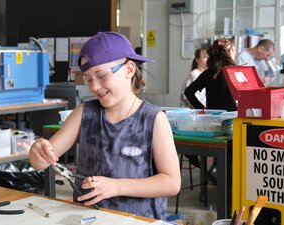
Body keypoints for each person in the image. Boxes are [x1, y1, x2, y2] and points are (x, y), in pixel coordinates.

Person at [29, 31, 181, 220]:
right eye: (88, 79)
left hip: (139, 220)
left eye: (101, 75)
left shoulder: (153, 119)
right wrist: (37, 152)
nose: (94, 86)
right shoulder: (84, 114)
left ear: (129, 69)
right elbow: (42, 160)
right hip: (89, 219)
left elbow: (172, 182)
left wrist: (116, 186)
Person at [184, 38, 237, 185]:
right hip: (232, 120)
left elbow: (188, 92)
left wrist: (204, 110)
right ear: (229, 52)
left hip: (213, 121)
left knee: (219, 152)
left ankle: (215, 171)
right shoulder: (234, 72)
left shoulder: (208, 73)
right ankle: (223, 178)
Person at [179, 47, 208, 168]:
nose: (207, 60)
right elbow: (191, 97)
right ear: (197, 60)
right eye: (204, 57)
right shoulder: (195, 74)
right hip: (191, 115)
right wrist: (204, 109)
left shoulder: (203, 74)